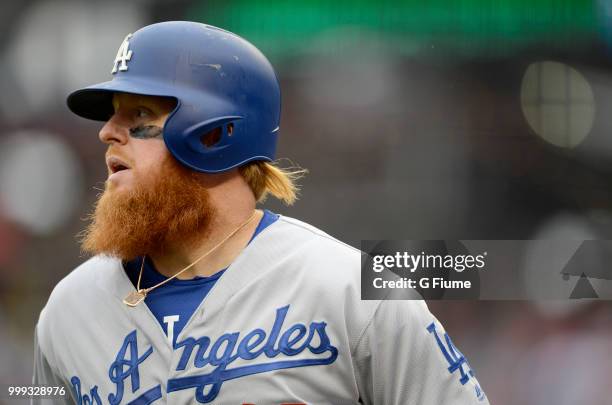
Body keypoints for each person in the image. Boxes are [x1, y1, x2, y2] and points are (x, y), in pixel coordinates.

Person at [33, 21, 488, 405]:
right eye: (113, 116)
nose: (108, 133)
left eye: (140, 115)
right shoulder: (68, 313)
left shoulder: (351, 291)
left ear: (213, 134)